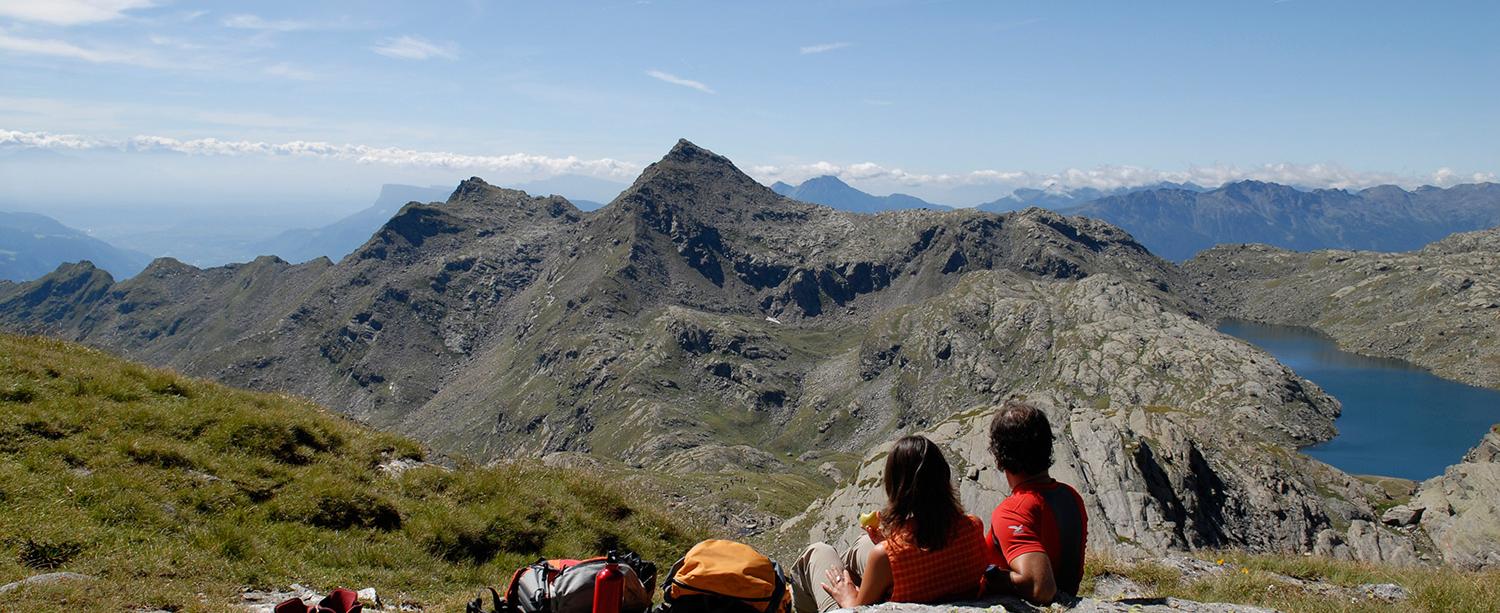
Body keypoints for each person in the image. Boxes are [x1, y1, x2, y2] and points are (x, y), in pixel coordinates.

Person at [790, 435, 989, 612]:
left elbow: (858, 609)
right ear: (944, 477)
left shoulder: (885, 556)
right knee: (864, 544)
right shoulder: (973, 527)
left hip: (880, 600)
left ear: (897, 488)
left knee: (818, 552)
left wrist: (847, 596)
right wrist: (889, 542)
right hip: (935, 592)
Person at [983, 399, 1088, 604]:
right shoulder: (1071, 496)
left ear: (998, 456)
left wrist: (992, 576)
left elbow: (1040, 587)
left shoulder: (1013, 511)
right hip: (1068, 599)